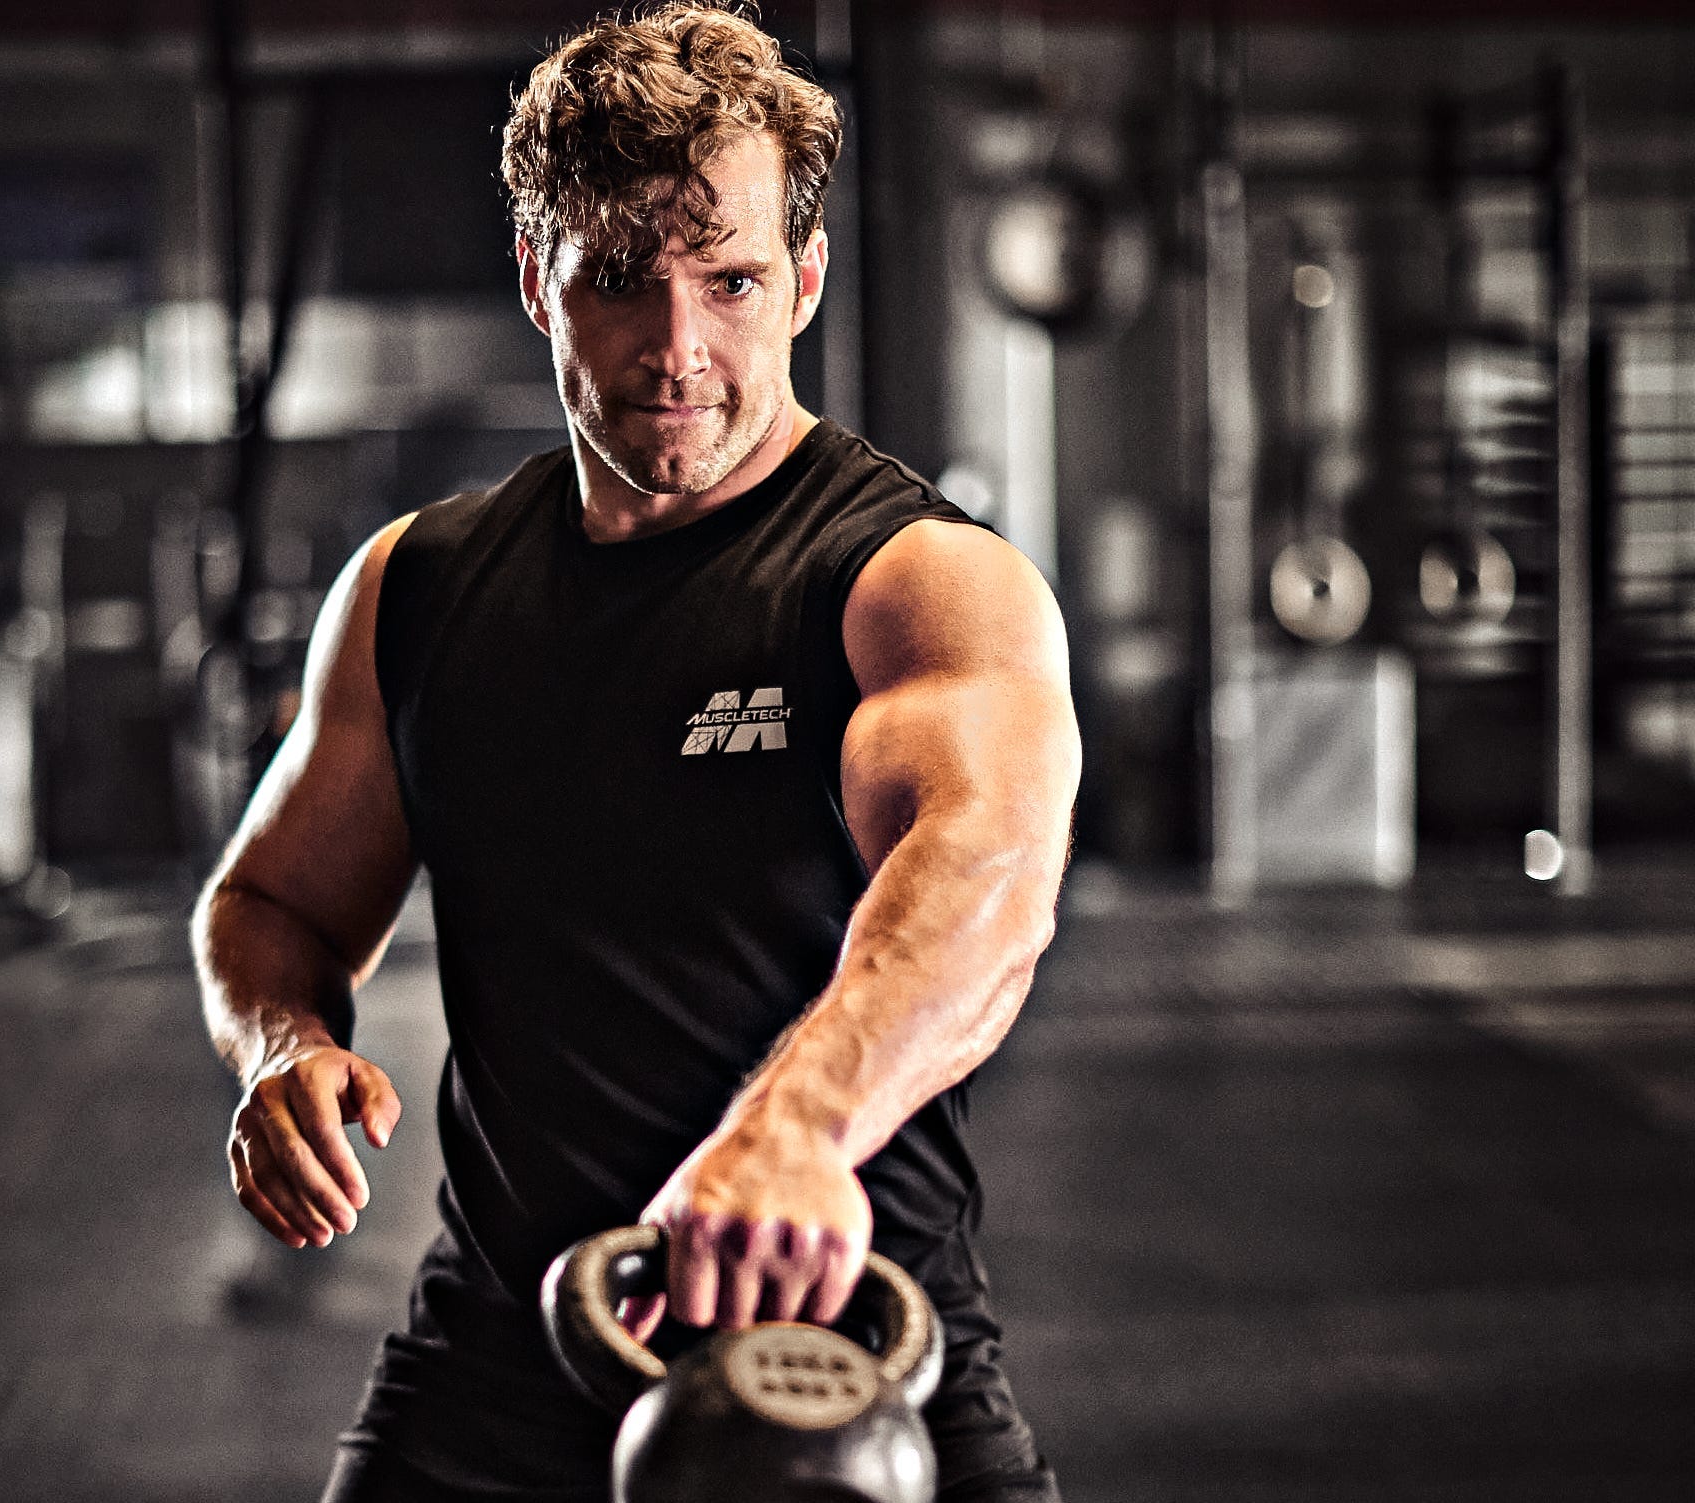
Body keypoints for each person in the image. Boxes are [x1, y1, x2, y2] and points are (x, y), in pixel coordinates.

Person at [191, 4, 1080, 1499]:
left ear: (802, 281)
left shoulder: (913, 582)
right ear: (539, 283)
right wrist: (285, 1046)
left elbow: (989, 880)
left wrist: (797, 1136)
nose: (680, 350)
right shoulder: (419, 592)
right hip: (497, 1369)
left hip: (836, 1375)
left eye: (730, 281)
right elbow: (269, 905)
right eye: (621, 282)